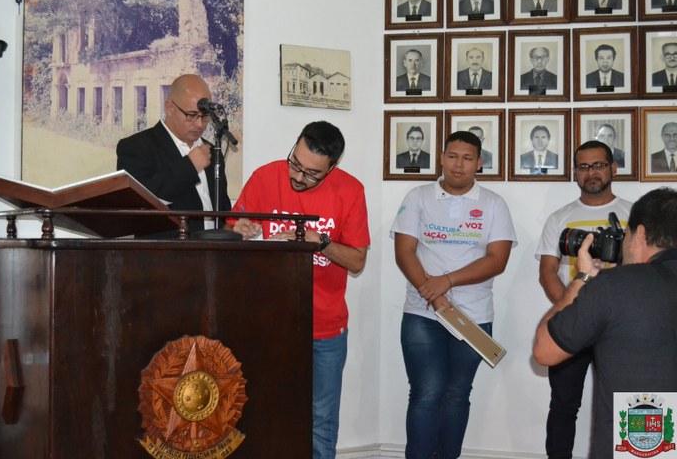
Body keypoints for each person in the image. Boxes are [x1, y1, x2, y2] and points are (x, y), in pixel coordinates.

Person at [227, 121, 370, 459]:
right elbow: (231, 231)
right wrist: (239, 230)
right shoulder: (265, 177)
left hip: (324, 327)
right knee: (262, 411)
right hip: (265, 322)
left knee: (321, 418)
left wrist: (320, 242)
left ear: (331, 168)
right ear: (294, 147)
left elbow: (357, 261)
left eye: (312, 174)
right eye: (295, 164)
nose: (299, 176)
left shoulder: (350, 190)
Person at [391, 131, 516, 459]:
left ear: (479, 163)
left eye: (467, 158)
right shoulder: (418, 196)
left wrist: (446, 282)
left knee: (458, 394)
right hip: (422, 313)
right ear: (441, 158)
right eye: (452, 156)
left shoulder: (493, 203)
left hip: (473, 316)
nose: (458, 165)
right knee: (425, 394)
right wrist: (434, 295)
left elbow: (497, 260)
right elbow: (404, 252)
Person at [533, 187, 677, 459]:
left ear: (640, 234)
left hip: (640, 442)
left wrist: (583, 278)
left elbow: (545, 350)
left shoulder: (616, 286)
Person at [535, 141, 632, 459]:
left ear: (613, 168)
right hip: (575, 325)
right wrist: (572, 311)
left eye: (599, 165)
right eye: (584, 166)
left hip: (621, 328)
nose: (591, 172)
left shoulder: (634, 215)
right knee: (563, 406)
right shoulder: (560, 218)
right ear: (575, 172)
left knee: (630, 402)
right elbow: (547, 272)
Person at [116, 74, 231, 235]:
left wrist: (233, 227)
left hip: (211, 249)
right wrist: (189, 166)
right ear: (170, 108)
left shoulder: (211, 151)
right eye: (191, 115)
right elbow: (140, 204)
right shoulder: (136, 146)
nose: (199, 124)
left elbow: (222, 210)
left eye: (205, 116)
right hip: (165, 250)